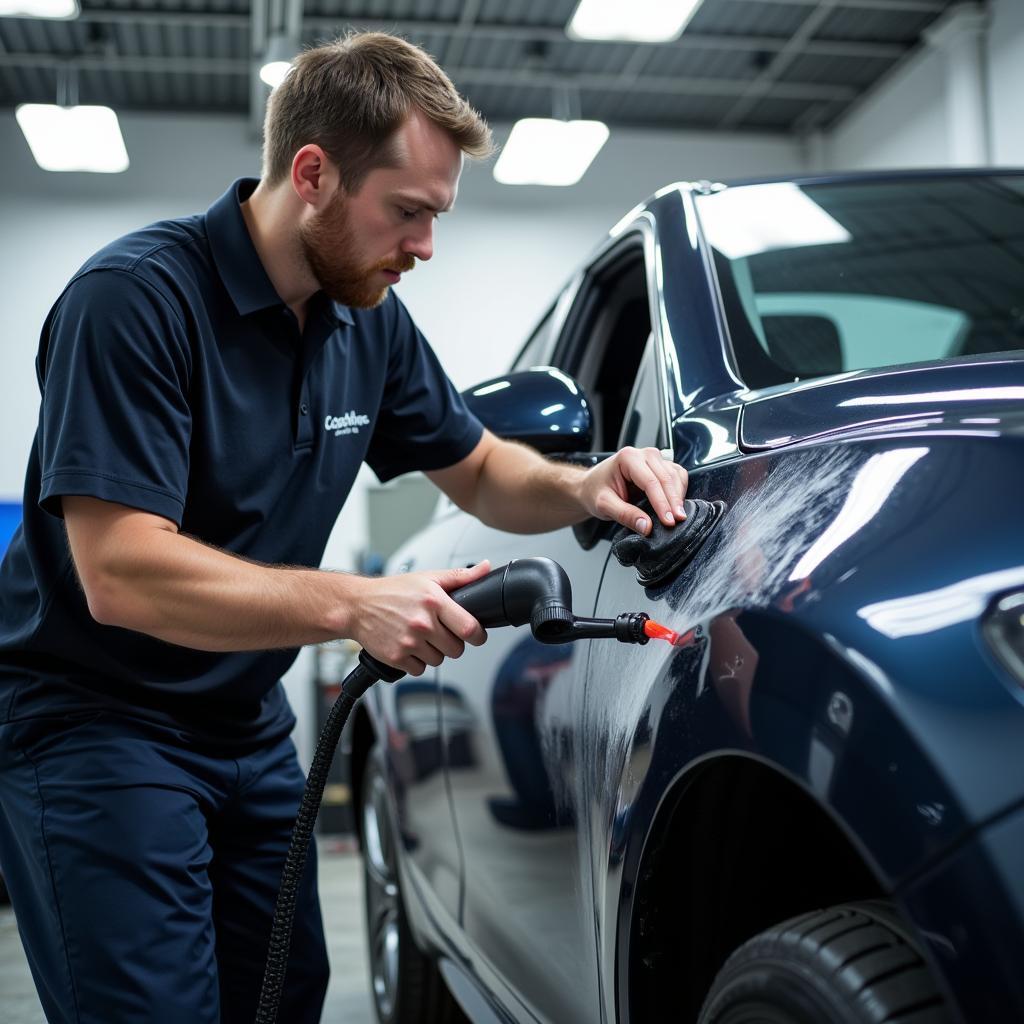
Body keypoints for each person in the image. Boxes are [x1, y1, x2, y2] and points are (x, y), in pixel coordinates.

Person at [0, 31, 689, 1024]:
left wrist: (586, 486)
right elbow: (120, 569)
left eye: (436, 217)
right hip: (97, 723)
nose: (424, 248)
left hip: (244, 721)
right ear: (313, 173)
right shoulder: (134, 302)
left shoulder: (365, 320)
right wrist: (354, 604)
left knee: (283, 996)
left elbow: (485, 469)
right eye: (407, 213)